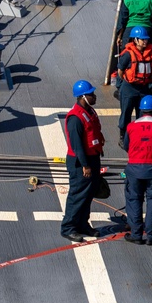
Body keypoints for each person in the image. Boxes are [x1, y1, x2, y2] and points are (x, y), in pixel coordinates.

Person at [123, 95, 152, 246]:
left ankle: (136, 234)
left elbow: (126, 146)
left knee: (134, 199)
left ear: (141, 111)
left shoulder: (131, 126)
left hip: (134, 168)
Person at [61, 80, 105, 243]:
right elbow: (77, 145)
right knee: (77, 195)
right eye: (91, 94)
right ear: (82, 97)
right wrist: (85, 165)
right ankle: (68, 227)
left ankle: (82, 224)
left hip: (92, 158)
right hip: (81, 163)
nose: (94, 96)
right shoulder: (75, 118)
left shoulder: (90, 112)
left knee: (88, 195)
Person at [116, 26, 152, 141]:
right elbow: (120, 70)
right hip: (129, 88)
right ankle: (123, 136)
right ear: (135, 40)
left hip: (143, 88)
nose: (145, 42)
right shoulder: (128, 54)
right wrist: (127, 80)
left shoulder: (150, 53)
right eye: (142, 39)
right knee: (126, 112)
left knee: (142, 113)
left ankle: (139, 135)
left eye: (146, 39)